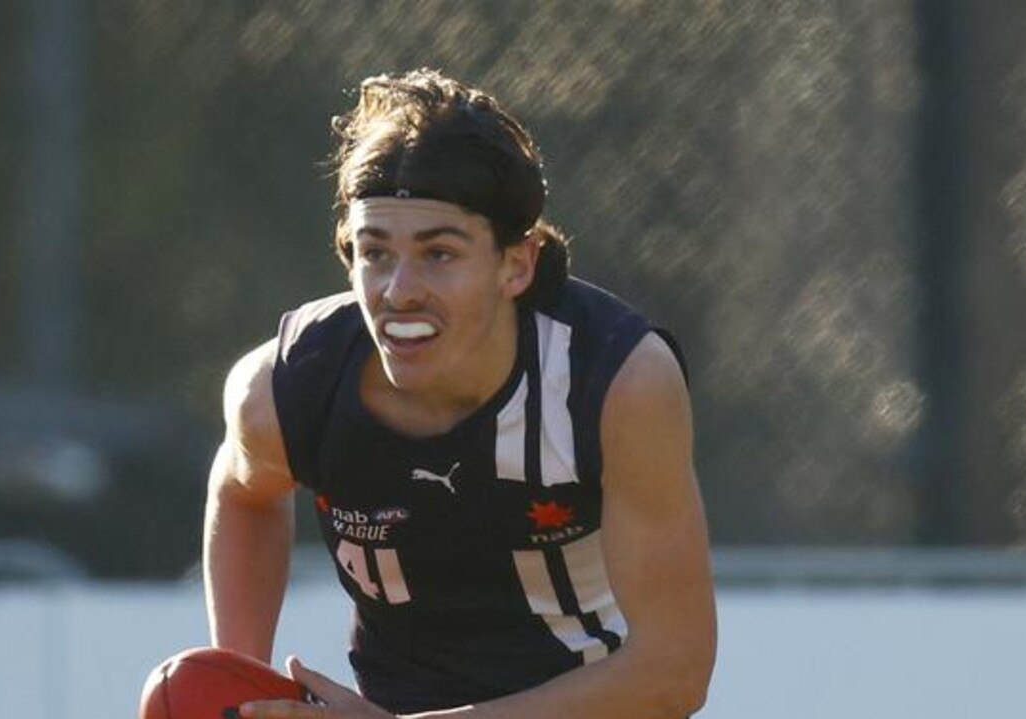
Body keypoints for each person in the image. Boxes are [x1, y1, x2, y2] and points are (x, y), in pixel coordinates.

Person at [203, 68, 717, 719]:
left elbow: (673, 672)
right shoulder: (287, 389)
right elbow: (244, 491)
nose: (399, 290)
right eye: (375, 252)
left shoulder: (614, 382)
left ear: (517, 264)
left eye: (439, 253)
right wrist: (237, 685)